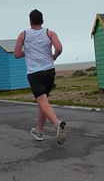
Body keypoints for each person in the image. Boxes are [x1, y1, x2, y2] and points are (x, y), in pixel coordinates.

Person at [14, 9, 66, 144]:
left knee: (43, 103)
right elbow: (59, 48)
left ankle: (57, 123)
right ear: (42, 21)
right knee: (43, 103)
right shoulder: (50, 33)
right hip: (49, 71)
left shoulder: (23, 35)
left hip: (34, 73)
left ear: (30, 21)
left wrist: (27, 52)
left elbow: (16, 54)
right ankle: (39, 132)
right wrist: (53, 56)